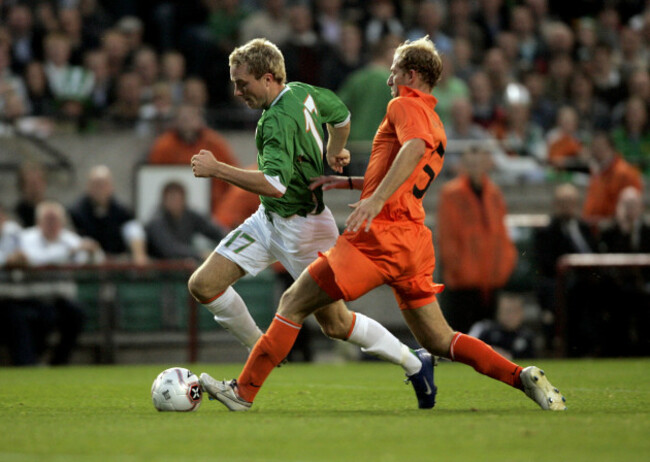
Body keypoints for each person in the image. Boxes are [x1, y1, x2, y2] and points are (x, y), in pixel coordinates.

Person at [199, 36, 566, 412]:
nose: (388, 80)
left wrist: (373, 201)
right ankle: (520, 377)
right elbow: (407, 172)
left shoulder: (405, 105)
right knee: (441, 339)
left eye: (392, 72)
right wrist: (351, 183)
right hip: (413, 242)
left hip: (380, 238)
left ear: (410, 74)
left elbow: (412, 149)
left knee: (293, 303)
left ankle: (243, 392)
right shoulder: (437, 122)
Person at [188, 38, 436, 409]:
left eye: (243, 83)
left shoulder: (275, 121)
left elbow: (274, 183)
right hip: (269, 219)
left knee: (335, 324)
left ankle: (414, 361)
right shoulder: (302, 91)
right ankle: (261, 346)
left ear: (268, 78)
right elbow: (342, 116)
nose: (237, 92)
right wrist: (336, 148)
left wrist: (217, 169)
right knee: (203, 284)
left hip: (305, 229)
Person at [437, 146, 517, 334]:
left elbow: (501, 234)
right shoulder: (451, 193)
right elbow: (447, 237)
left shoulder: (494, 193)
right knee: (462, 335)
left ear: (487, 163)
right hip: (463, 281)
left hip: (491, 278)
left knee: (488, 335)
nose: (475, 167)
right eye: (470, 162)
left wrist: (503, 268)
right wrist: (457, 269)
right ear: (463, 165)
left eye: (479, 161)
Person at [148, 104, 240, 222]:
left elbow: (233, 176)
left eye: (191, 117)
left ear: (200, 119)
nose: (187, 123)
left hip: (215, 210)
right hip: (174, 213)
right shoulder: (163, 146)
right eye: (182, 118)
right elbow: (153, 179)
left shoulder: (215, 144)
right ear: (175, 121)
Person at [68, 165, 149, 264]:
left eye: (104, 184)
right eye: (96, 184)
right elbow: (70, 239)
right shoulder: (76, 212)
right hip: (88, 262)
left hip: (116, 263)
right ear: (88, 187)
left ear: (111, 186)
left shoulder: (122, 211)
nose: (100, 189)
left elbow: (133, 230)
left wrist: (139, 254)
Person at [145, 181, 225, 261]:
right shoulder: (156, 221)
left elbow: (214, 231)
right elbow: (169, 249)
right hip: (161, 268)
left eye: (178, 199)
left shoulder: (189, 215)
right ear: (164, 200)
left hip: (185, 266)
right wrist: (199, 254)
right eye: (172, 198)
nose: (175, 203)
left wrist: (230, 242)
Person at [582, 131, 643, 226]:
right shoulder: (597, 170)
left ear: (611, 148)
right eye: (594, 146)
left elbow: (633, 205)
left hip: (614, 228)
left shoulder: (624, 172)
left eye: (601, 146)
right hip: (594, 226)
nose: (597, 150)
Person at [468, 293, 536, 360]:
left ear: (521, 313)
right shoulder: (486, 330)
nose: (510, 316)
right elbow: (468, 350)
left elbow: (535, 361)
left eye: (514, 311)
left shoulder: (527, 337)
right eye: (506, 311)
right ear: (498, 312)